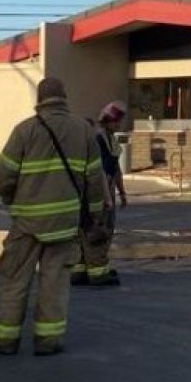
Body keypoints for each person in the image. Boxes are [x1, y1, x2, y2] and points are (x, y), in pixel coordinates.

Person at [0, 78, 105, 356]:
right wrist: (94, 214)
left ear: (39, 99)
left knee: (14, 279)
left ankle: (4, 339)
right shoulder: (83, 130)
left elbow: (4, 174)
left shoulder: (25, 130)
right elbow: (95, 179)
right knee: (55, 283)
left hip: (27, 223)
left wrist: (12, 202)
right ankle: (48, 341)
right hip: (64, 224)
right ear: (64, 98)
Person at [71, 100, 126, 287]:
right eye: (116, 121)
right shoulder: (99, 140)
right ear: (106, 121)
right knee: (97, 230)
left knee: (90, 229)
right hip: (97, 190)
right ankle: (96, 270)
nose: (118, 125)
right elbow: (99, 171)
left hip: (104, 188)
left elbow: (115, 168)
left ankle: (82, 269)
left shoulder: (110, 140)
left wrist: (122, 191)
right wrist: (108, 197)